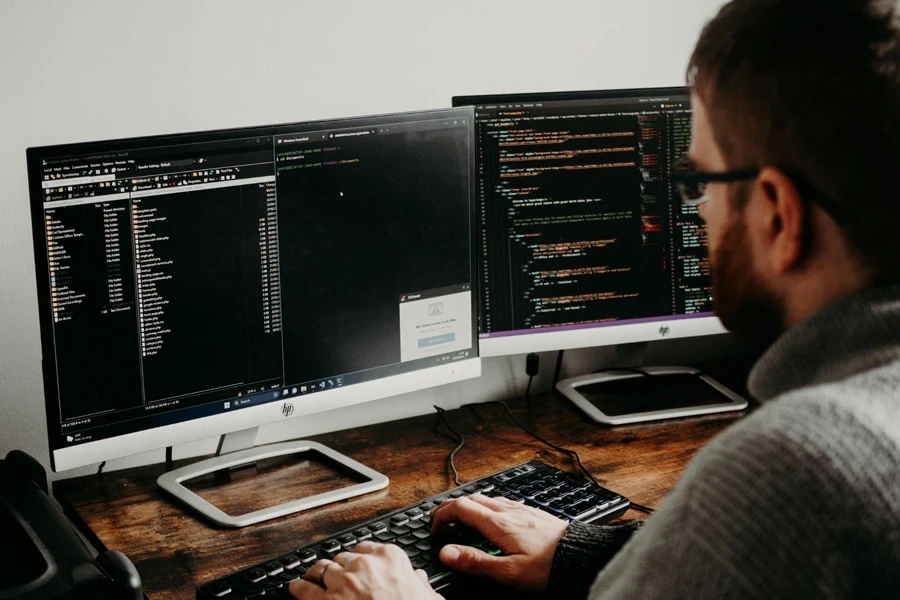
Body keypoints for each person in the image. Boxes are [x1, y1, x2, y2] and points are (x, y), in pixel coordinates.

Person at [290, 0, 900, 597]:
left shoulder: (789, 468)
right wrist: (577, 553)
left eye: (700, 181)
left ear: (777, 215)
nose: (696, 210)